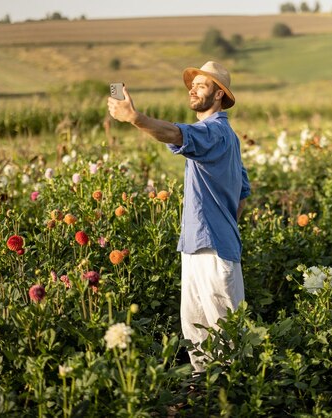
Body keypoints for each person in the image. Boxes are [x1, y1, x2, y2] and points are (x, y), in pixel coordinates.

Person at [107, 61, 250, 373]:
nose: (192, 88)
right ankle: (207, 394)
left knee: (225, 337)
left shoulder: (214, 132)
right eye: (193, 83)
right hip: (200, 245)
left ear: (219, 95)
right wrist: (224, 223)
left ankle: (231, 399)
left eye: (201, 84)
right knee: (197, 330)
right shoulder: (228, 138)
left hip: (213, 249)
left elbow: (174, 133)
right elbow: (242, 194)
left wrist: (135, 118)